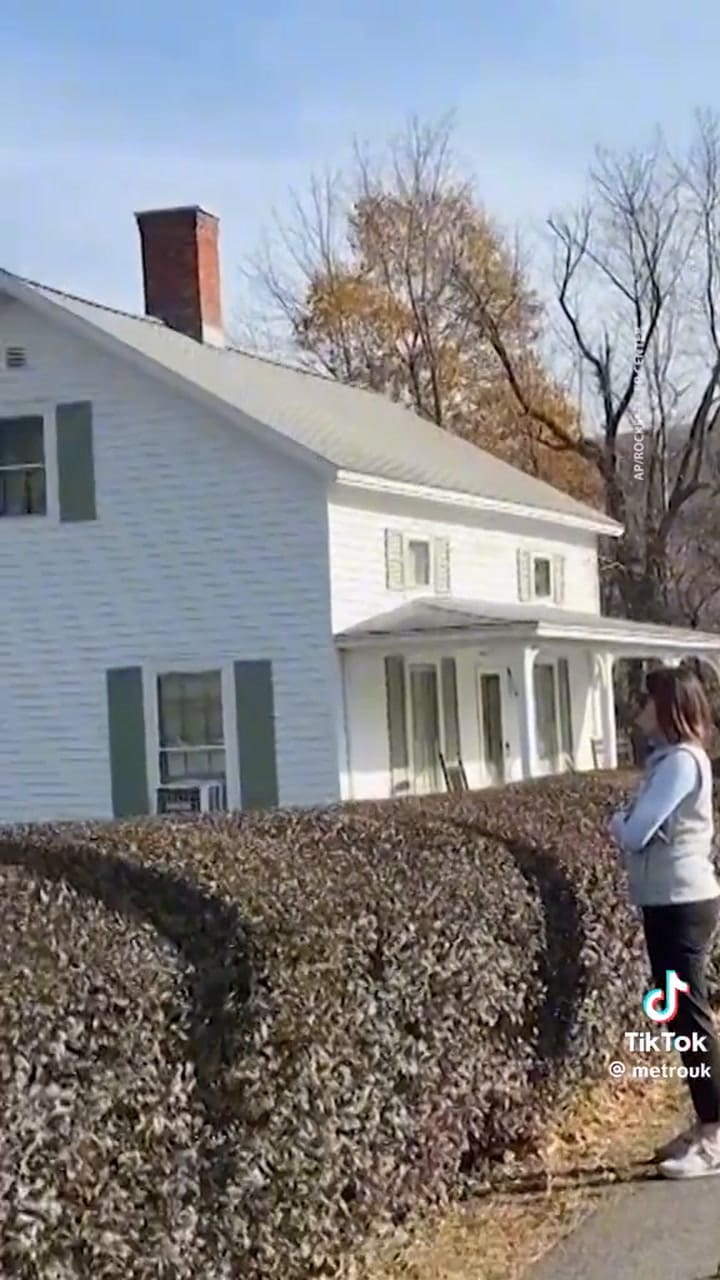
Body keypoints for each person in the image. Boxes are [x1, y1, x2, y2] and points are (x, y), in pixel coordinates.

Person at [608, 665, 720, 1179]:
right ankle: (707, 1121)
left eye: (646, 701)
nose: (639, 710)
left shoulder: (679, 763)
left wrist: (618, 822)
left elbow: (636, 833)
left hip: (681, 902)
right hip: (668, 900)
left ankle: (717, 1131)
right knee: (679, 1016)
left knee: (689, 1015)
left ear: (669, 707)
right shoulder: (668, 761)